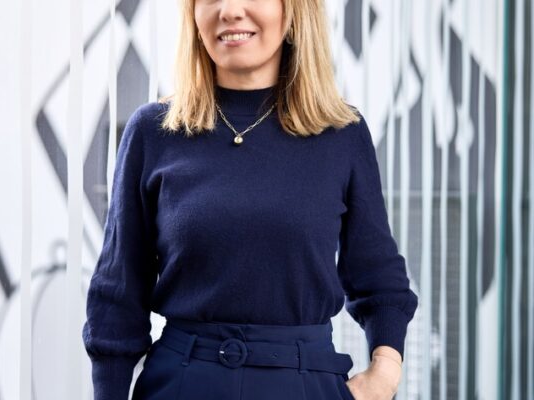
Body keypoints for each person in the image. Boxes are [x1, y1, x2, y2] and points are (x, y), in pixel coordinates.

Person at [82, 0, 419, 399]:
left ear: (292, 11)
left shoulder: (342, 135)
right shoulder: (152, 132)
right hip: (182, 384)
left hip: (304, 384)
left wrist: (385, 372)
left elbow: (377, 271)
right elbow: (118, 291)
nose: (229, 10)